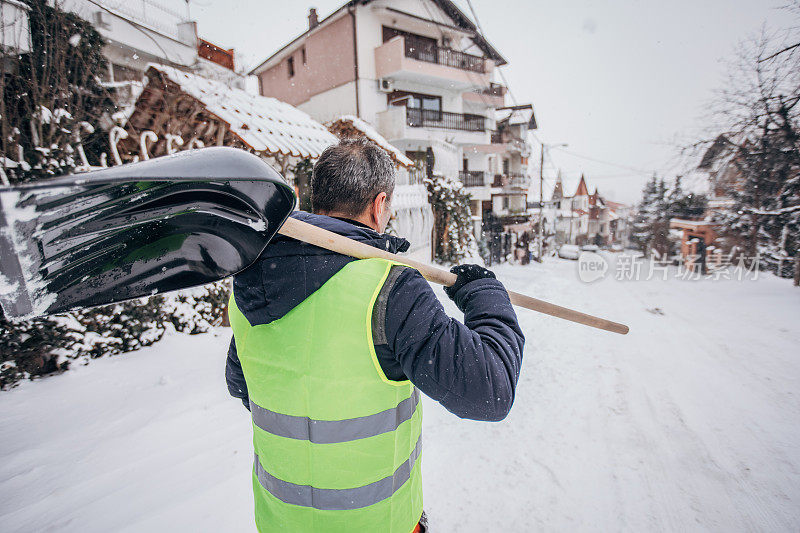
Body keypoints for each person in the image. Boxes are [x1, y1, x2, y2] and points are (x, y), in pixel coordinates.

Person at [226, 137, 525, 532]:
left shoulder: (254, 283)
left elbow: (241, 384)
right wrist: (486, 296)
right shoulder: (390, 288)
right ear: (380, 205)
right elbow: (491, 390)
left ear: (317, 199)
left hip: (281, 523)